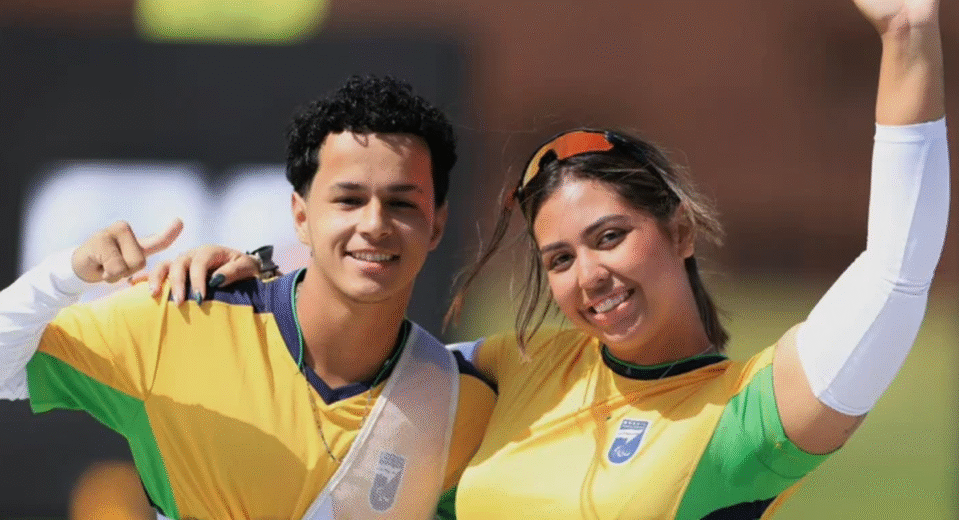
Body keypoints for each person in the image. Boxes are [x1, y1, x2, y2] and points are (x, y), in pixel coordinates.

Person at [159, 0, 949, 517]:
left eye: (610, 237)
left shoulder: (746, 422)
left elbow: (895, 276)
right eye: (560, 258)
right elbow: (342, 368)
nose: (589, 276)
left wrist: (909, 33)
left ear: (678, 231)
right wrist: (260, 279)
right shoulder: (516, 370)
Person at [0, 75, 496, 520]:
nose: (374, 224)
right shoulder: (180, 321)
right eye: (348, 200)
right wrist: (68, 273)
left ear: (437, 224)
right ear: (300, 214)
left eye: (402, 203)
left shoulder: (463, 403)